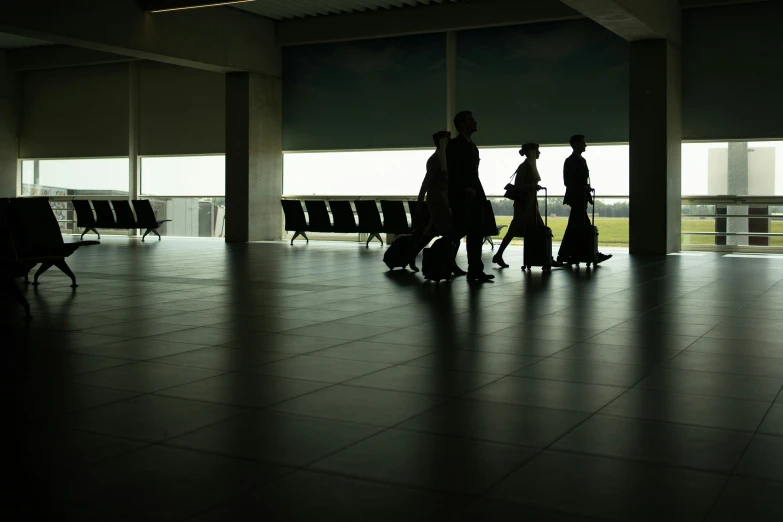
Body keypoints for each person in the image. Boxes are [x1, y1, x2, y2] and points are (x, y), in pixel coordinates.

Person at [446, 111, 494, 282]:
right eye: (471, 120)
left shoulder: (470, 145)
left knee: (475, 233)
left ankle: (475, 269)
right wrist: (466, 188)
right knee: (463, 230)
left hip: (473, 194)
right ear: (461, 124)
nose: (475, 122)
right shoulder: (456, 145)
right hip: (464, 196)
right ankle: (445, 260)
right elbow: (455, 171)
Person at [408, 131, 465, 274]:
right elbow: (426, 182)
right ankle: (451, 264)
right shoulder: (436, 160)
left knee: (432, 232)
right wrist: (420, 202)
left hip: (443, 199)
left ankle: (412, 255)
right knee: (452, 233)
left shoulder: (445, 159)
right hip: (438, 200)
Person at [557, 134, 612, 264]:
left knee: (574, 227)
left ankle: (567, 255)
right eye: (583, 143)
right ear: (575, 144)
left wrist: (585, 188)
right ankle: (592, 254)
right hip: (577, 199)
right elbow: (568, 181)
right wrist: (583, 188)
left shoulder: (581, 160)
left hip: (581, 198)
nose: (585, 145)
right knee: (585, 227)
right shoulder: (570, 161)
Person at [492, 143, 548, 268]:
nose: (539, 153)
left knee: (534, 230)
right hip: (524, 205)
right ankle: (545, 257)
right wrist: (532, 187)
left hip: (530, 204)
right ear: (532, 152)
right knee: (535, 230)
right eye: (537, 151)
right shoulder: (525, 167)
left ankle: (545, 256)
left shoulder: (529, 166)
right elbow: (518, 185)